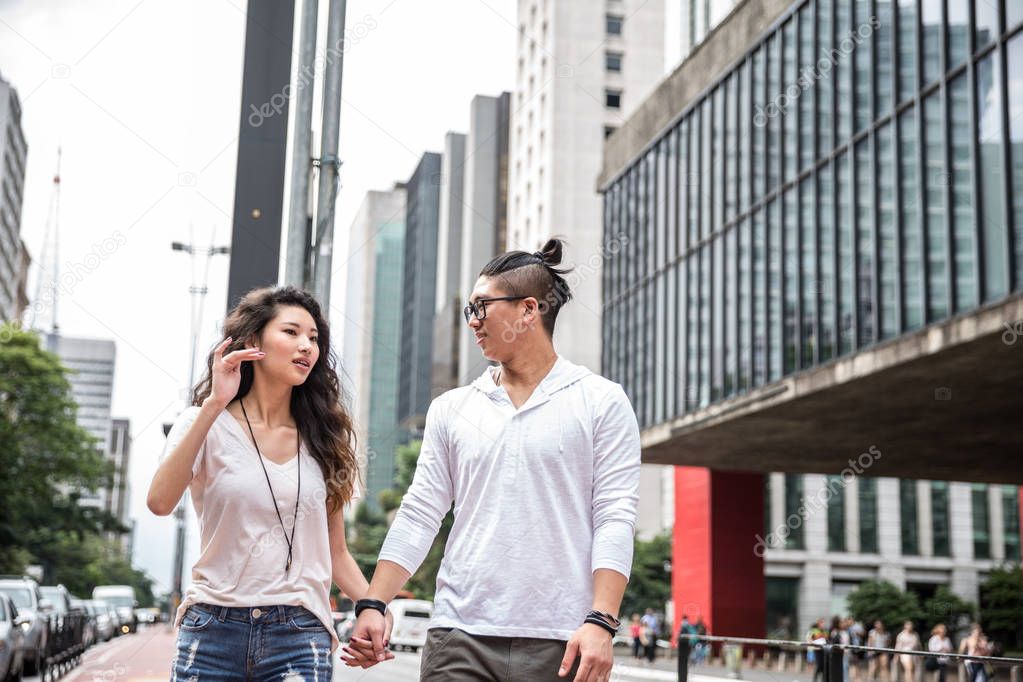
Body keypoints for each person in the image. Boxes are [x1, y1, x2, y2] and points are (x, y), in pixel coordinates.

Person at [344, 239, 643, 682]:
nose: (473, 322)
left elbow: (615, 516)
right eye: (469, 310)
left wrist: (602, 620)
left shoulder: (601, 400)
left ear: (528, 310)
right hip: (459, 634)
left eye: (481, 307)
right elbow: (420, 512)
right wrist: (374, 602)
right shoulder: (452, 408)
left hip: (561, 639)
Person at [146, 286, 392, 679]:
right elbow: (160, 502)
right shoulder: (204, 422)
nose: (307, 346)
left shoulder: (325, 437)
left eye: (313, 338)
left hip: (298, 632)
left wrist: (372, 607)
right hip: (212, 629)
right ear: (253, 342)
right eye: (291, 332)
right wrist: (214, 403)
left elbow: (336, 551)